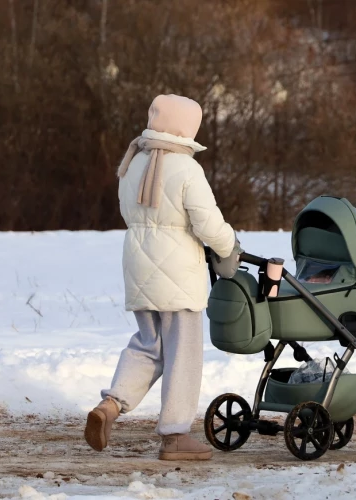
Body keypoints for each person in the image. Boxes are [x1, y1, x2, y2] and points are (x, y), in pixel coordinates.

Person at [84, 94, 242, 461]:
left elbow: (128, 211)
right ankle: (174, 437)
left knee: (148, 345)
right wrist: (229, 244)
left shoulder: (134, 160)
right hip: (178, 275)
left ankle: (110, 405)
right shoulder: (187, 169)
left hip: (138, 267)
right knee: (183, 354)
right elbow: (207, 223)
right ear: (186, 128)